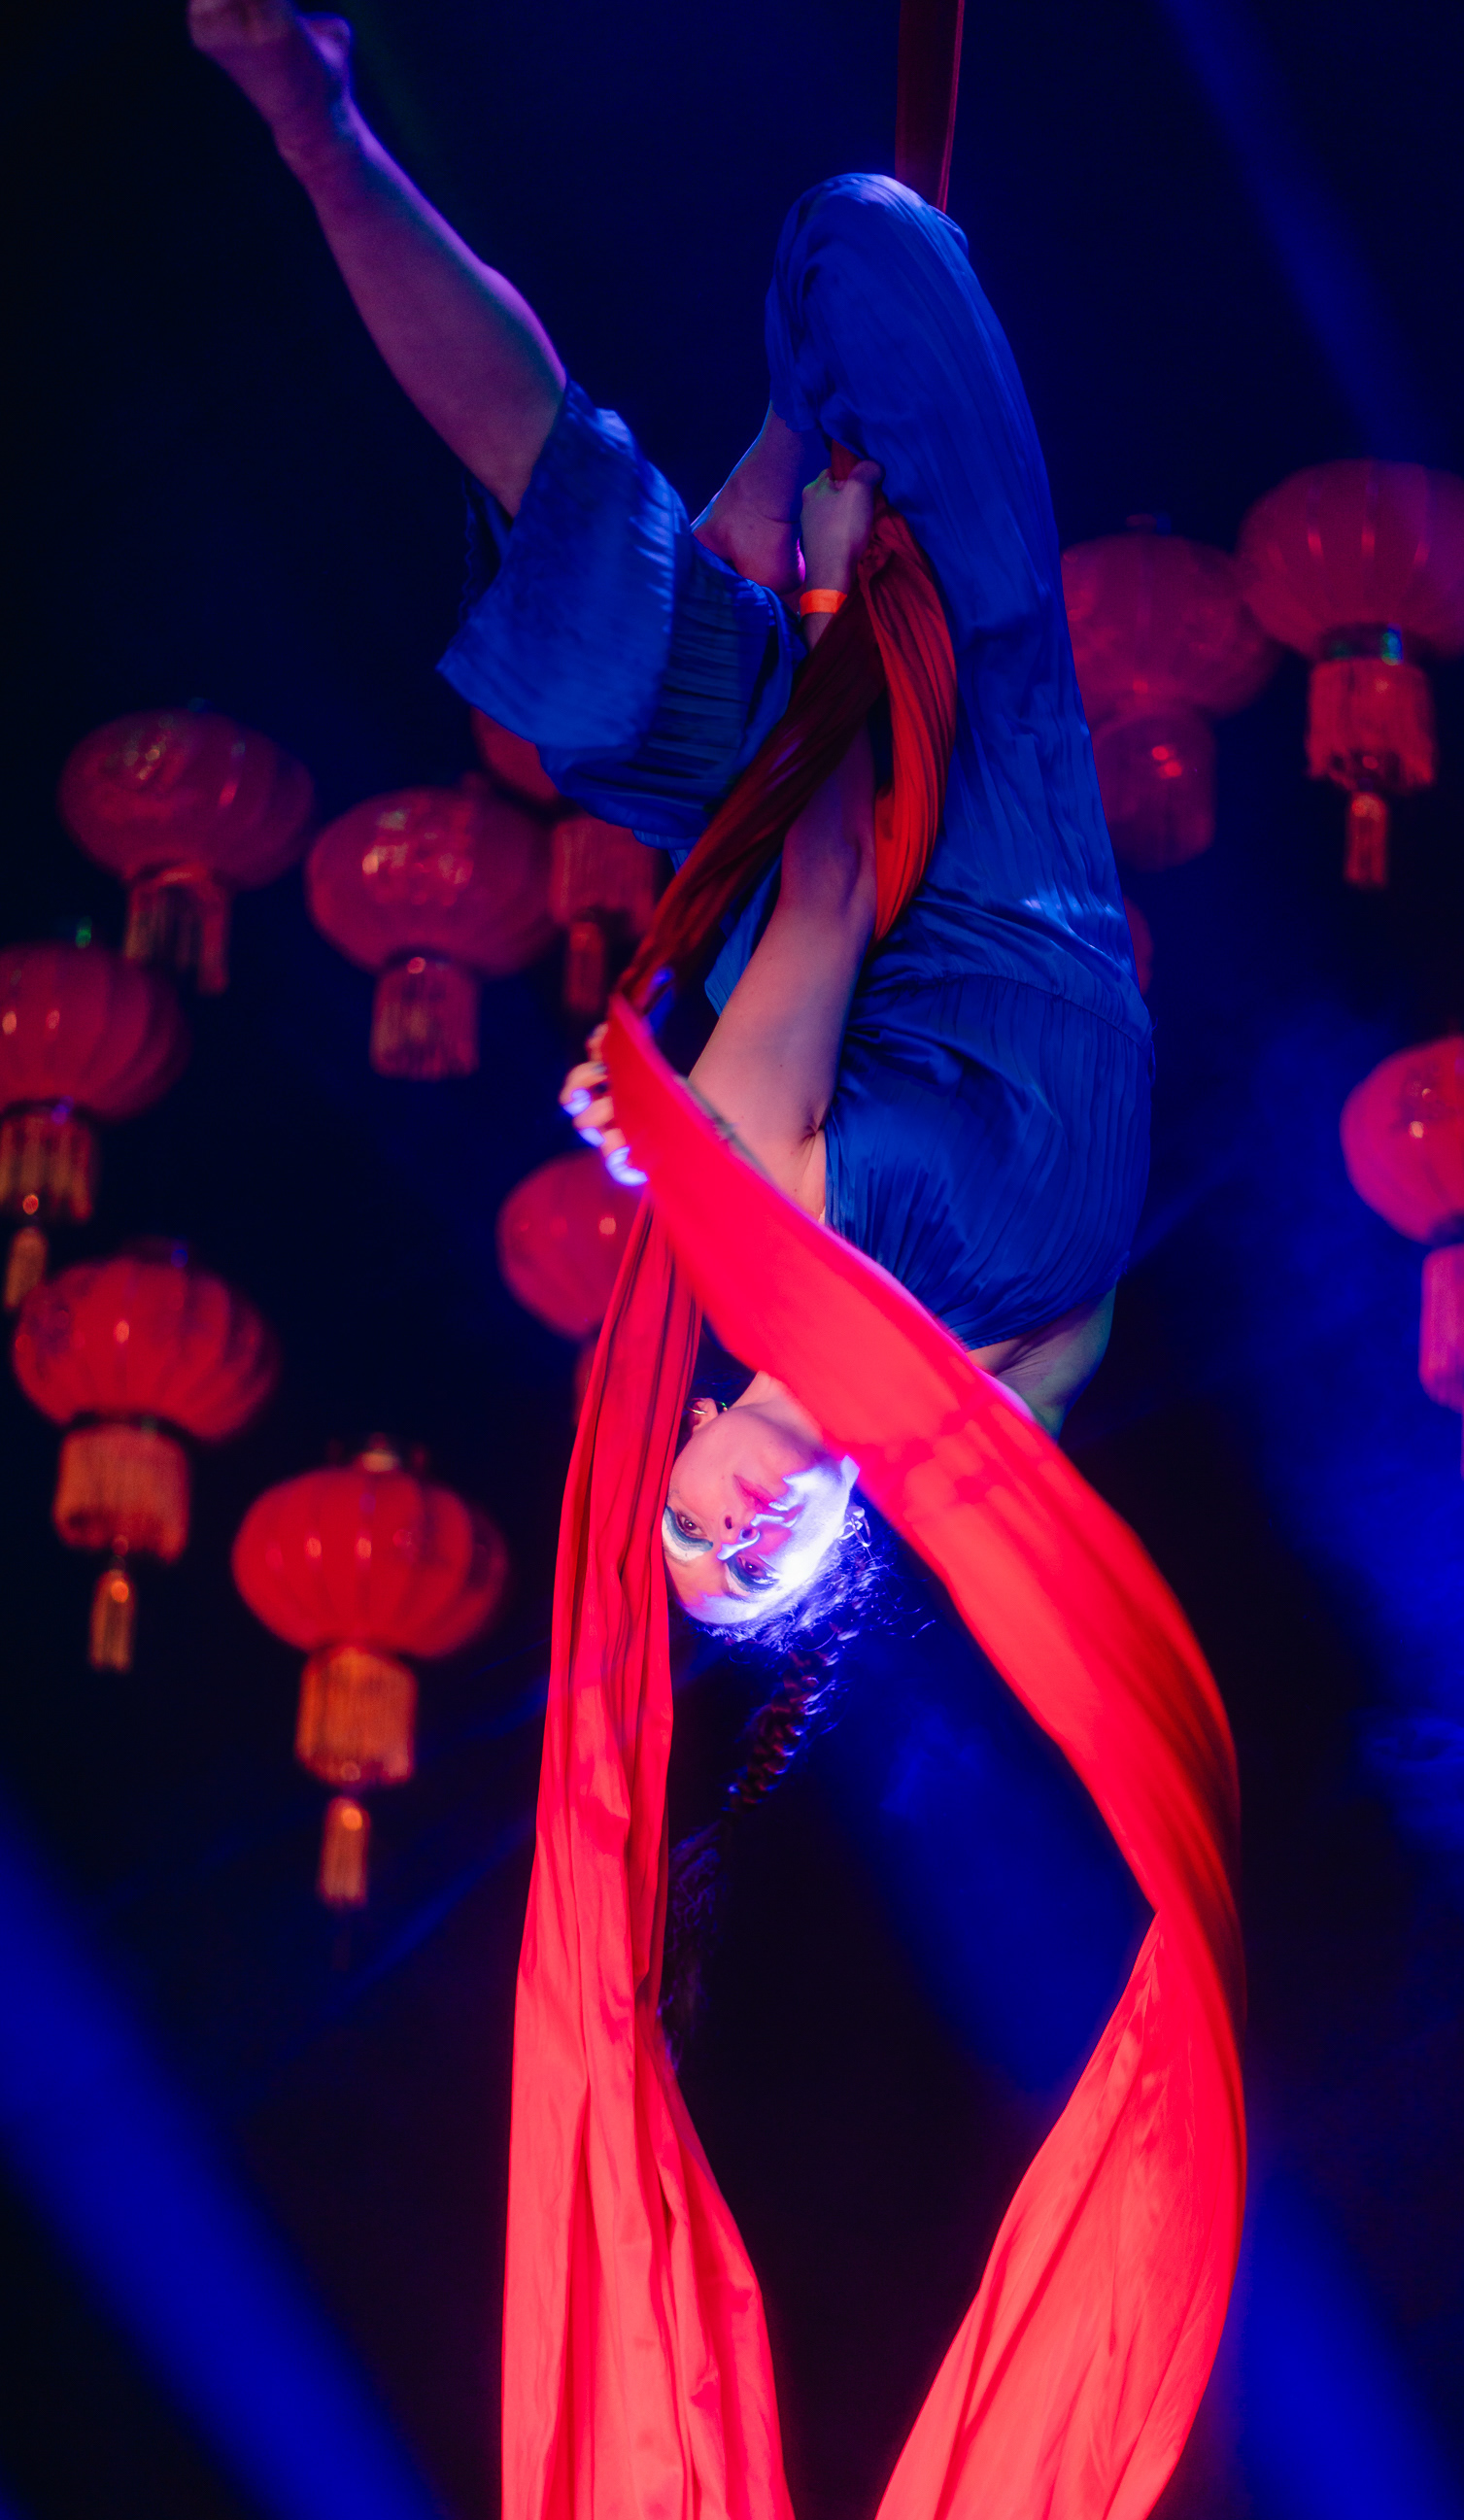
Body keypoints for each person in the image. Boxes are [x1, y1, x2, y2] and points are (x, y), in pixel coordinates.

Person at [188, 0, 1152, 1637]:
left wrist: (836, 612)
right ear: (837, 1552)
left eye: (689, 1528)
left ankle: (316, 120)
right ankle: (781, 456)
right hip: (995, 743)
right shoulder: (1001, 1404)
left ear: (686, 1428)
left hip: (815, 810)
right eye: (758, 1569)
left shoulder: (744, 1224)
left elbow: (824, 880)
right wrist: (846, 593)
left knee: (573, 647)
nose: (735, 1529)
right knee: (871, 251)